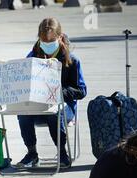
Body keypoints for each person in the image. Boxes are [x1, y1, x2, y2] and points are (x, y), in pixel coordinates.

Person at [16, 17, 87, 168]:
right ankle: (32, 153)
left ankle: (62, 152)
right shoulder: (32, 56)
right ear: (39, 39)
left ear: (59, 38)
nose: (47, 45)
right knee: (22, 113)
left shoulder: (72, 60)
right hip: (38, 105)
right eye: (44, 42)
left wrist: (60, 92)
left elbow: (81, 90)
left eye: (51, 42)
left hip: (63, 106)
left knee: (55, 112)